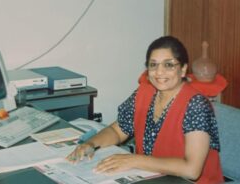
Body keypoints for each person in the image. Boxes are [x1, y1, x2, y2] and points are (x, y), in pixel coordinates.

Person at [66, 36, 224, 183]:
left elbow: (191, 170)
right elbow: (118, 129)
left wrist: (134, 160)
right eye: (153, 65)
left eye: (168, 65)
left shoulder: (196, 105)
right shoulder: (144, 92)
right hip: (153, 178)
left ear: (182, 69)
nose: (159, 72)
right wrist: (91, 144)